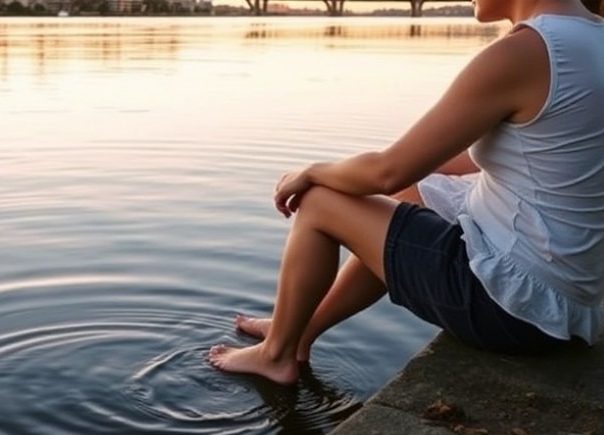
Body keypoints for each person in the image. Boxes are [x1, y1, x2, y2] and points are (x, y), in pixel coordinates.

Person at [208, 0, 604, 385]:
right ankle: (299, 330)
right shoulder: (591, 37)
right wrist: (390, 172)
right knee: (410, 191)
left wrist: (312, 172)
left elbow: (384, 172)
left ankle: (275, 355)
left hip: (513, 312)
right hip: (571, 303)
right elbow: (443, 164)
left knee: (318, 202)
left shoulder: (523, 54)